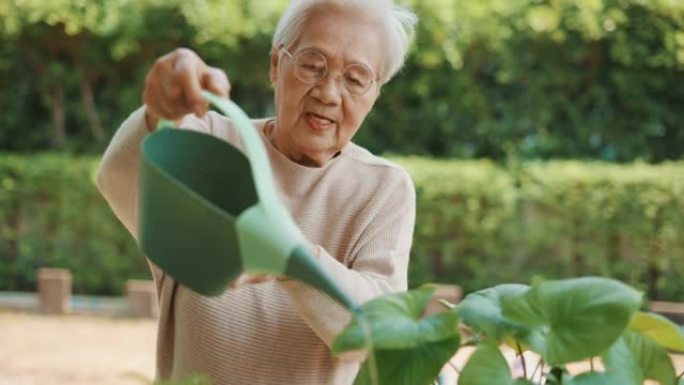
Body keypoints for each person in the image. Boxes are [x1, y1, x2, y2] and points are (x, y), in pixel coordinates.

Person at [96, 0, 418, 384]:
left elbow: (375, 332)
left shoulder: (382, 189)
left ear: (375, 95)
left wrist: (288, 257)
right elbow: (118, 176)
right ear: (276, 66)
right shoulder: (213, 140)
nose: (329, 93)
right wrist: (158, 112)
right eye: (313, 65)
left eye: (356, 78)